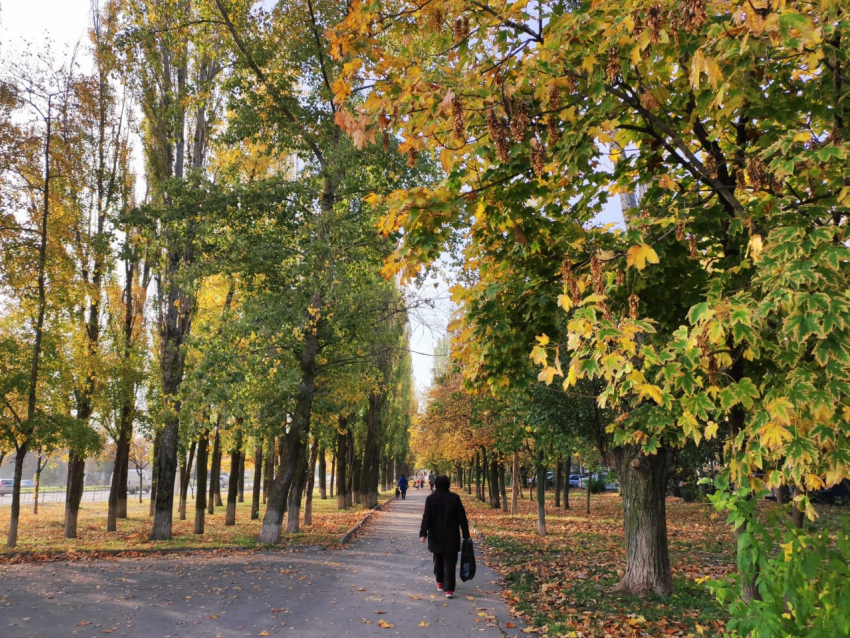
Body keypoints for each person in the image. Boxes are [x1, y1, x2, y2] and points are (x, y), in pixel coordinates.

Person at [419, 475, 470, 599]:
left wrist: (423, 533)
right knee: (450, 562)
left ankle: (440, 582)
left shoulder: (430, 499)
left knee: (438, 558)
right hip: (451, 535)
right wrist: (466, 534)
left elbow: (427, 517)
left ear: (435, 485)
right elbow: (461, 518)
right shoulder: (455, 498)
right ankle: (449, 590)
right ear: (448, 485)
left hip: (435, 535)